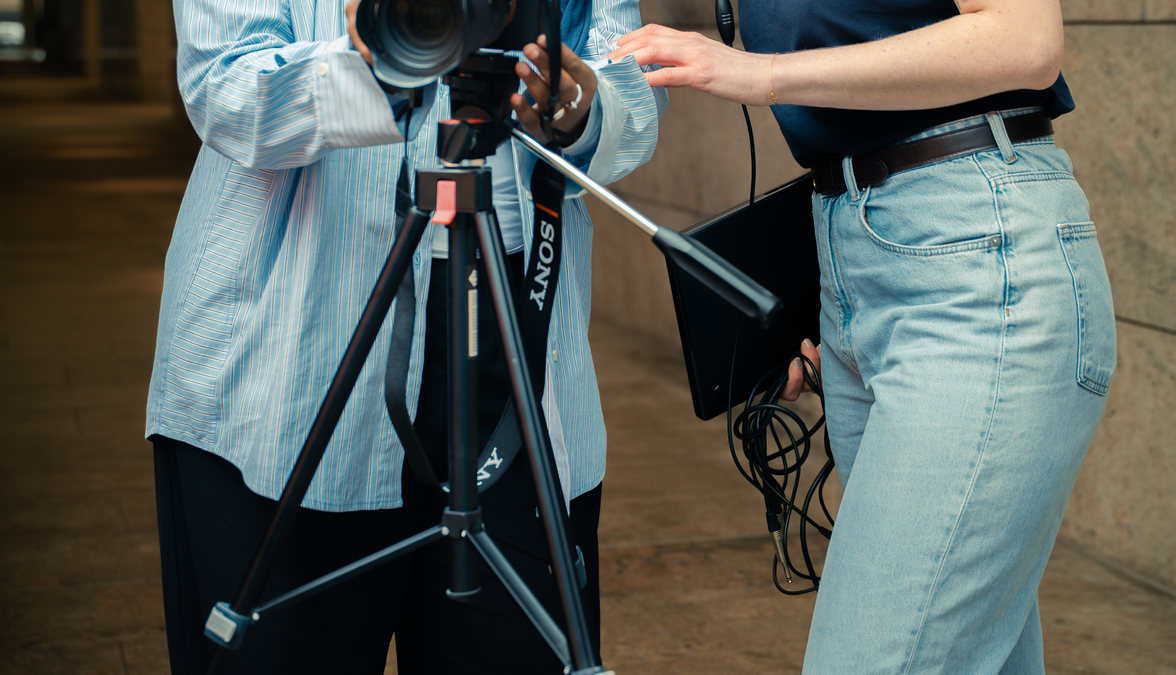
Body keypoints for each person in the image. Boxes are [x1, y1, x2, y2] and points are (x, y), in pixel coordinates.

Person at [145, 0, 665, 672]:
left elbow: (631, 82)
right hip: (287, 359)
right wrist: (382, 61)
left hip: (518, 342)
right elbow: (223, 86)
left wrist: (580, 107)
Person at [610, 1, 1116, 672]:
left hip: (975, 258)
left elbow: (1025, 40)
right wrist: (838, 292)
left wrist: (764, 74)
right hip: (855, 255)